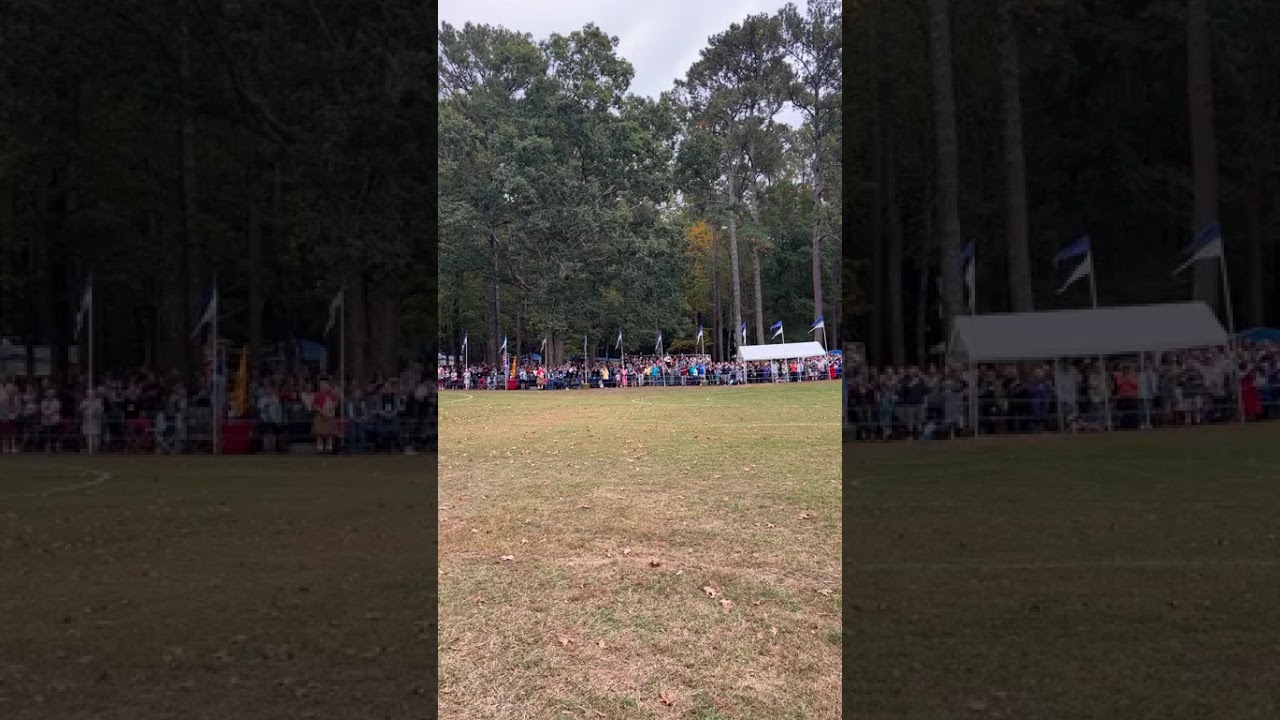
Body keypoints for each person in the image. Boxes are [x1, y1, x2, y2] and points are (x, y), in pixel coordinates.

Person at [311, 379, 340, 453]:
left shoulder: (332, 394)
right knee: (319, 435)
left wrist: (330, 410)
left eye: (324, 385)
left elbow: (336, 403)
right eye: (321, 385)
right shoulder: (317, 395)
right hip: (320, 415)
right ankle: (320, 450)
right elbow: (314, 405)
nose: (323, 386)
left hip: (330, 415)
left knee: (330, 434)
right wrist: (322, 411)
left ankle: (329, 449)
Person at [80, 387, 104, 454]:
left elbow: (100, 411)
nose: (90, 395)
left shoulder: (98, 401)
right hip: (87, 421)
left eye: (91, 393)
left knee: (95, 437)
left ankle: (95, 449)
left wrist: (95, 413)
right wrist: (86, 407)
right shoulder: (84, 401)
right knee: (88, 436)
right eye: (88, 393)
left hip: (95, 421)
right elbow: (81, 409)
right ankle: (89, 449)